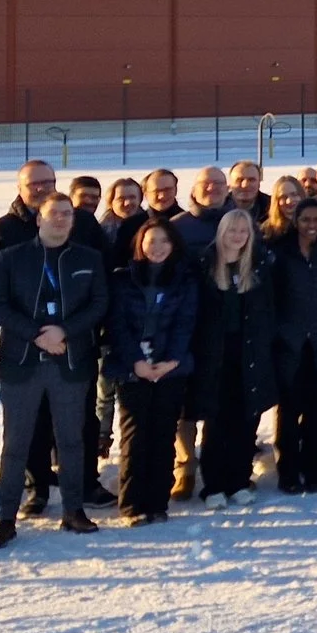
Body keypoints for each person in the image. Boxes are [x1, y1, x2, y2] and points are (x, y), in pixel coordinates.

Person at [0, 194, 108, 546]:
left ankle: (73, 511)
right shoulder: (12, 257)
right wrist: (36, 335)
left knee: (71, 441)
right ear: (39, 219)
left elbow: (100, 303)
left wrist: (64, 330)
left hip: (70, 362)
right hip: (22, 362)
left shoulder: (88, 258)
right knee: (15, 443)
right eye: (54, 213)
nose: (61, 219)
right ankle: (6, 518)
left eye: (67, 214)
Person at [106, 222, 198, 524]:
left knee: (163, 434)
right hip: (132, 368)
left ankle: (158, 502)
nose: (157, 247)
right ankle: (132, 505)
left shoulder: (185, 280)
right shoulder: (123, 279)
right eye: (151, 241)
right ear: (140, 244)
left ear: (174, 245)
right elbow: (117, 326)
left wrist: (171, 361)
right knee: (135, 436)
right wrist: (136, 361)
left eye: (164, 241)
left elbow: (186, 323)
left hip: (170, 369)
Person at [190, 210, 276, 504]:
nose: (237, 236)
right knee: (217, 423)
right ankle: (213, 485)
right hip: (215, 357)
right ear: (221, 232)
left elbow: (269, 310)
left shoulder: (258, 266)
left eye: (243, 231)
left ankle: (239, 480)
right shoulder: (204, 265)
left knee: (246, 421)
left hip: (250, 354)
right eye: (232, 230)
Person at [269, 197, 317, 494]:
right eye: (305, 220)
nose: (311, 225)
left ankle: (312, 469)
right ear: (295, 222)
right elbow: (272, 296)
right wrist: (280, 331)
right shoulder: (281, 252)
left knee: (316, 413)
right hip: (290, 344)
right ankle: (287, 471)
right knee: (288, 412)